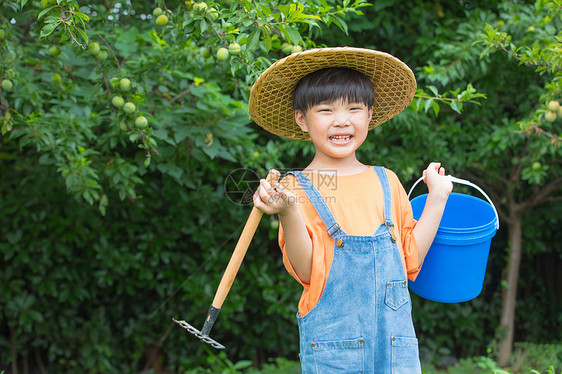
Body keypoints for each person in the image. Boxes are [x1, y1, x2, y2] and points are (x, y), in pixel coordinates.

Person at [249, 47, 453, 373]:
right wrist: (288, 212)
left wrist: (437, 199)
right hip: (333, 352)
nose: (342, 120)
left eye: (354, 108)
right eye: (326, 110)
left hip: (395, 348)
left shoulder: (386, 181)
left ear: (369, 115)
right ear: (302, 119)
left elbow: (410, 259)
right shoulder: (296, 187)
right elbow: (305, 271)